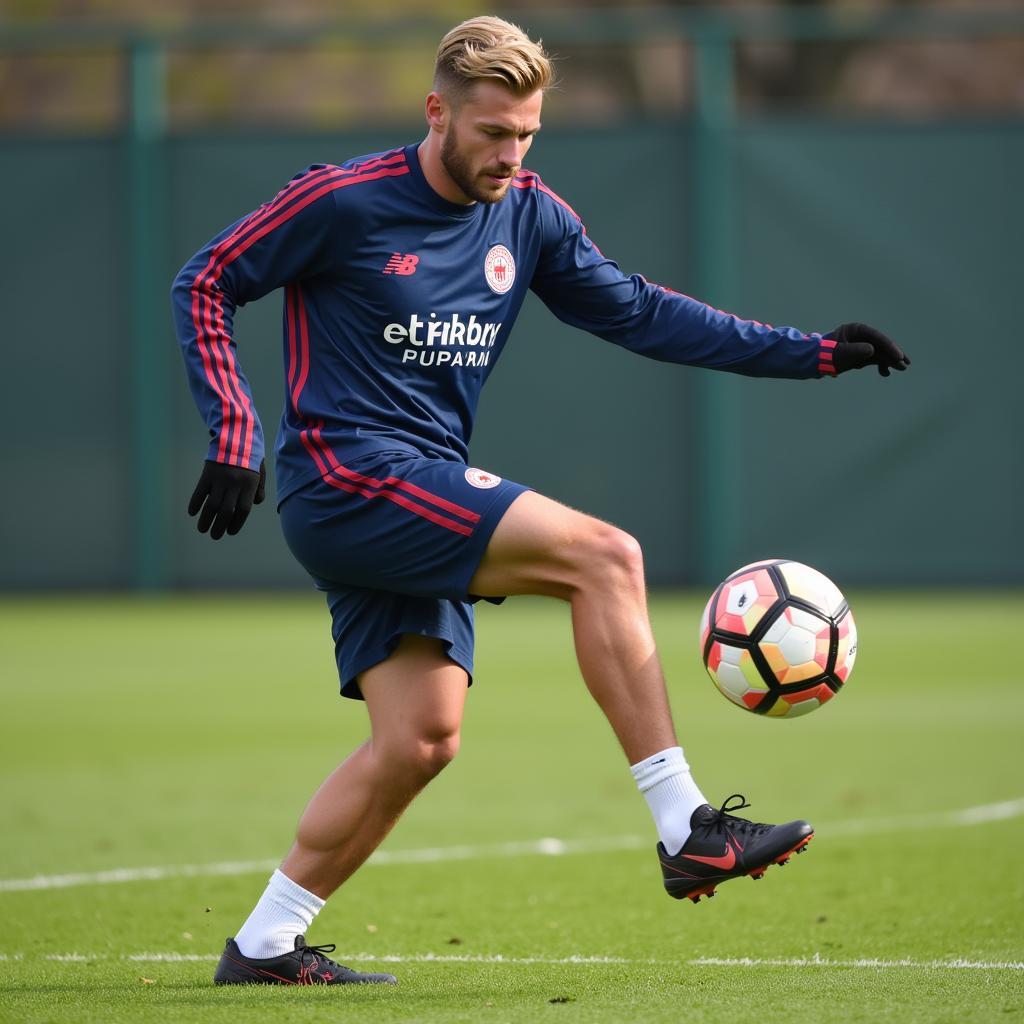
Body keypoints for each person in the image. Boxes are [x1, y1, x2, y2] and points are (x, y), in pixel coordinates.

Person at [171, 16, 909, 987]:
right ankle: (686, 824)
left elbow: (641, 311)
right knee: (606, 554)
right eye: (490, 132)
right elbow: (207, 279)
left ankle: (264, 942)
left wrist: (807, 352)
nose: (509, 155)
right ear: (437, 111)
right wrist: (231, 430)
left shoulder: (529, 213)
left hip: (415, 486)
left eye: (525, 134)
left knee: (421, 739)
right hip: (349, 477)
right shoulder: (343, 200)